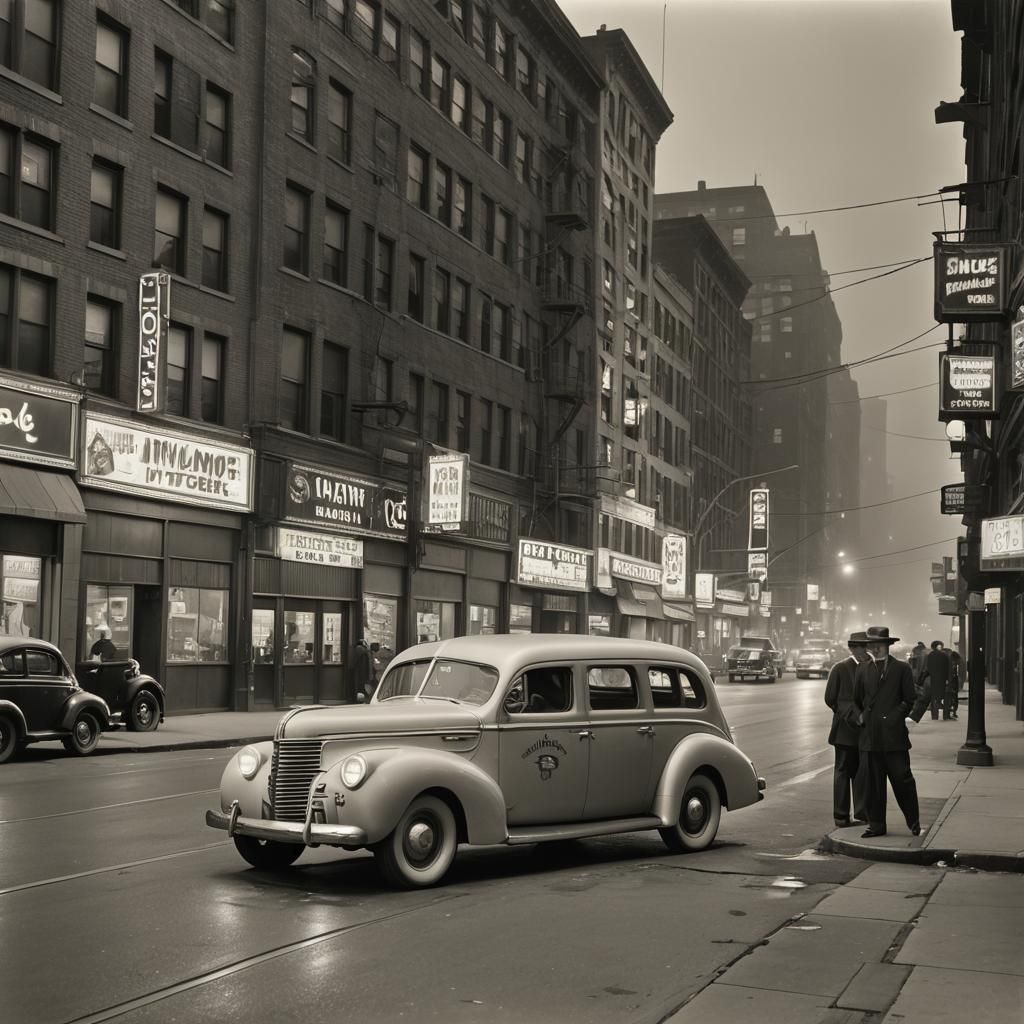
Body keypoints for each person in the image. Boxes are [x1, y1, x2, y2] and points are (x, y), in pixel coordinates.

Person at [852, 625, 921, 839]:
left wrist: (894, 717)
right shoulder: (862, 669)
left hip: (894, 736)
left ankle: (913, 820)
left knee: (903, 779)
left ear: (887, 646)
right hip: (870, 736)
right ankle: (876, 825)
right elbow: (856, 700)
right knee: (873, 784)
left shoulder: (901, 668)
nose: (876, 649)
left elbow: (909, 699)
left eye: (880, 645)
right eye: (872, 645)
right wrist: (860, 717)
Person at [824, 630, 871, 828]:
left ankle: (862, 813)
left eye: (865, 647)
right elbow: (830, 698)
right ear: (851, 648)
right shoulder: (840, 668)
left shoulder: (873, 666)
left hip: (866, 730)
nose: (863, 651)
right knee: (843, 772)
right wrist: (848, 713)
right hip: (845, 730)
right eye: (859, 647)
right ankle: (841, 815)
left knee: (862, 772)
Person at [921, 640, 950, 721]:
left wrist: (923, 678)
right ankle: (945, 715)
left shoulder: (930, 655)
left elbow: (927, 668)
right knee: (945, 697)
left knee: (934, 698)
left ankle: (934, 716)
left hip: (933, 679)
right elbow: (948, 668)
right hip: (943, 679)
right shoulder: (945, 655)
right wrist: (948, 679)